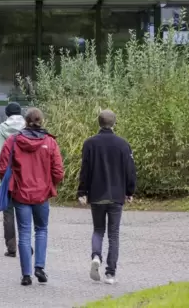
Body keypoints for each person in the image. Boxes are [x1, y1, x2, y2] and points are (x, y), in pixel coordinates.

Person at [0, 108, 64, 286]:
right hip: (42, 194)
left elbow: (3, 167)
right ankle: (40, 267)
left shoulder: (13, 141)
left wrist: (13, 185)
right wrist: (49, 185)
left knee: (24, 233)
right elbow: (58, 171)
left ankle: (26, 274)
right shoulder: (50, 142)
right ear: (42, 121)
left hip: (21, 194)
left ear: (25, 122)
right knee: (41, 230)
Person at [77, 109, 137, 285]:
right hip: (116, 195)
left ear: (99, 123)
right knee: (114, 234)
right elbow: (130, 171)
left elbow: (85, 171)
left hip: (96, 195)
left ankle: (96, 256)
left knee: (98, 230)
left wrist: (82, 192)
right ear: (114, 123)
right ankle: (110, 274)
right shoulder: (123, 144)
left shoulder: (90, 144)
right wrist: (129, 191)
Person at [0, 102, 26, 257]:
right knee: (24, 211)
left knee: (8, 213)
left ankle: (11, 247)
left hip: (4, 177)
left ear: (7, 114)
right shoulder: (28, 130)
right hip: (24, 177)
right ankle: (25, 244)